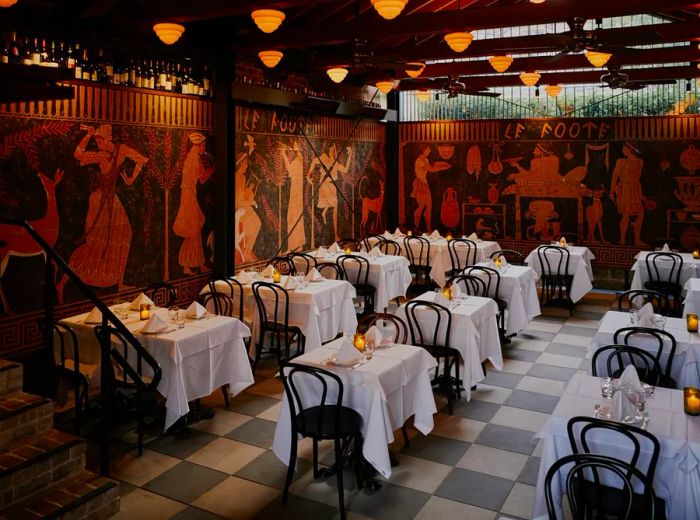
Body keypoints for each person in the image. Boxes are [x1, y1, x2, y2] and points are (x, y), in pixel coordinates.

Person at [57, 124, 147, 302]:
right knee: (92, 244)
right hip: (99, 200)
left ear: (107, 138)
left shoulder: (121, 150)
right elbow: (78, 154)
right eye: (96, 141)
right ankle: (63, 282)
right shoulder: (103, 155)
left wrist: (130, 180)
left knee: (125, 234)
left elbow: (143, 159)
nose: (97, 144)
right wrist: (88, 136)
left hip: (111, 201)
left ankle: (119, 282)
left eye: (98, 140)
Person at [173, 132, 213, 274]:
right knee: (193, 230)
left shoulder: (194, 157)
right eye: (203, 145)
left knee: (195, 232)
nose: (205, 147)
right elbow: (201, 179)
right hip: (189, 196)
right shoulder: (193, 160)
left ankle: (196, 264)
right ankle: (187, 264)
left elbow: (200, 179)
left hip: (190, 194)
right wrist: (212, 169)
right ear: (198, 145)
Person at [309, 144, 351, 242]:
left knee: (334, 207)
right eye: (333, 149)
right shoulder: (323, 158)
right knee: (334, 206)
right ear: (329, 150)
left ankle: (335, 233)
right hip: (325, 185)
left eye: (334, 150)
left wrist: (350, 155)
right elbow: (314, 162)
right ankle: (336, 235)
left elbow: (345, 169)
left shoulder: (334, 162)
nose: (334, 151)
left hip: (332, 186)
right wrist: (309, 175)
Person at [610, 142, 646, 246]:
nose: (622, 151)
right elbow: (615, 177)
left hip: (635, 188)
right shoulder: (621, 162)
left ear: (630, 149)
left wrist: (641, 194)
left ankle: (637, 240)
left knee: (640, 213)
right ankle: (622, 240)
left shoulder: (640, 162)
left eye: (624, 149)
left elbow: (638, 180)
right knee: (625, 215)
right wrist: (612, 191)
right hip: (624, 189)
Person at [411, 146, 450, 231]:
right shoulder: (419, 161)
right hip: (419, 184)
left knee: (429, 206)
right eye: (428, 149)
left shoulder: (425, 160)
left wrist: (443, 164)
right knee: (421, 206)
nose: (429, 151)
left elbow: (433, 165)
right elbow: (431, 169)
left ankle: (428, 229)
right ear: (423, 150)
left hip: (424, 183)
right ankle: (415, 227)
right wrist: (443, 167)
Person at [280, 140, 306, 252]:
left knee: (292, 217)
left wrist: (283, 154)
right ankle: (296, 245)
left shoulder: (299, 160)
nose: (293, 148)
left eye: (295, 146)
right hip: (295, 192)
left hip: (296, 194)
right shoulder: (298, 159)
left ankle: (295, 246)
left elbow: (290, 170)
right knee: (293, 217)